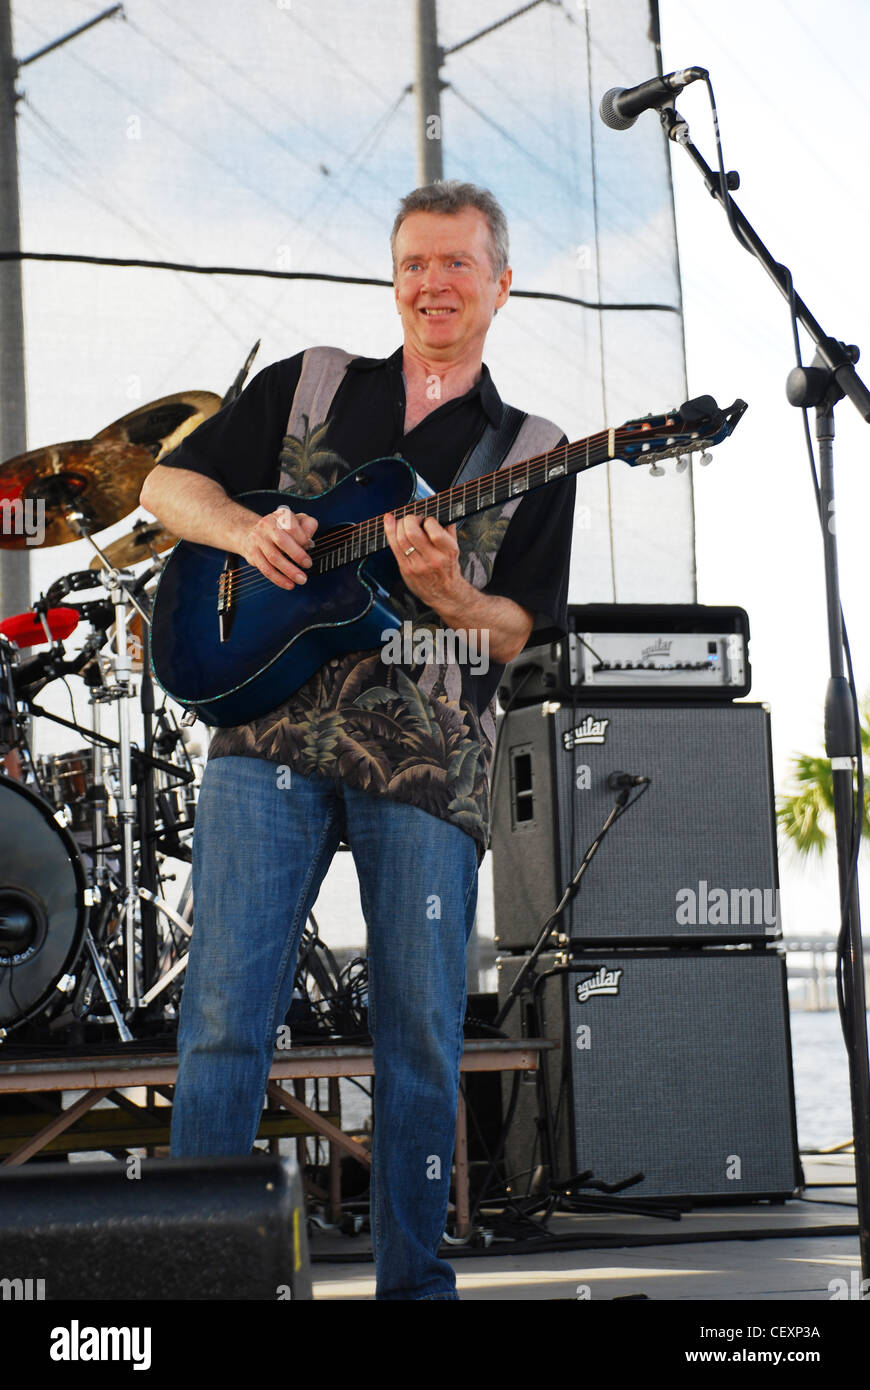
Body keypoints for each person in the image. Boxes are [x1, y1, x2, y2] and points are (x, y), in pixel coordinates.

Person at [140, 180, 576, 1300]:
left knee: (421, 1040)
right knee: (226, 1020)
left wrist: (456, 598)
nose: (434, 283)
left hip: (426, 767)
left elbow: (525, 629)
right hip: (265, 735)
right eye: (414, 264)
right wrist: (247, 527)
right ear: (395, 281)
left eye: (458, 264)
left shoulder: (534, 449)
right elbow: (161, 486)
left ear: (501, 284)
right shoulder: (312, 384)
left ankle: (412, 1287)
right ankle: (201, 1283)